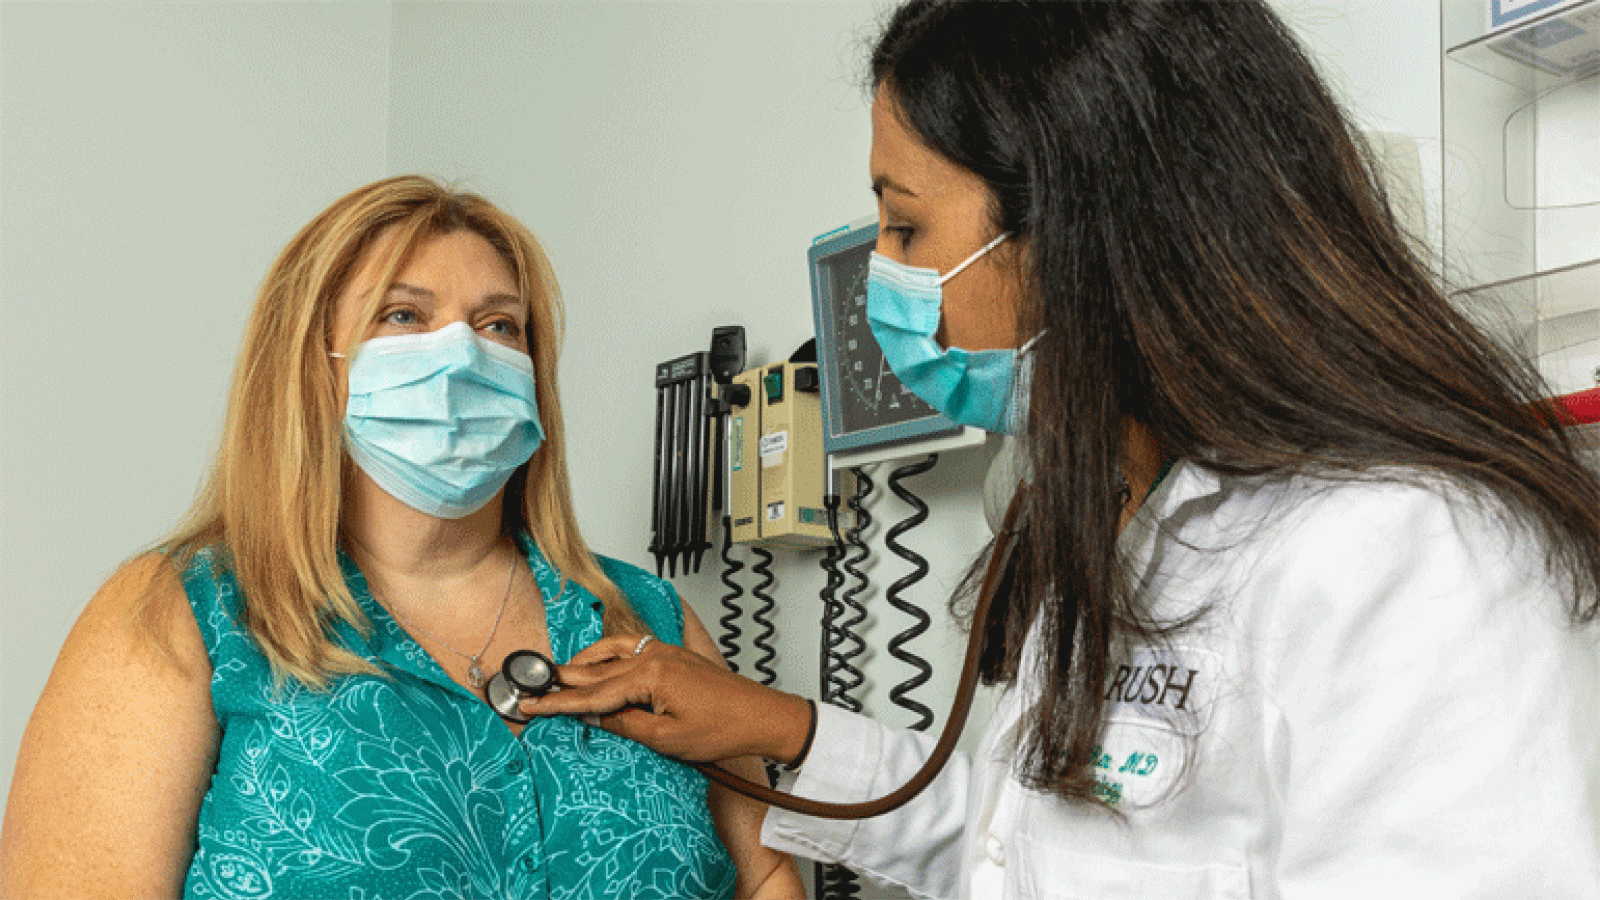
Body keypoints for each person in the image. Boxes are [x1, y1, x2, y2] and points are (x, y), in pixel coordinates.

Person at [523, 1, 1600, 897]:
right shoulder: (1122, 509)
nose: (885, 281)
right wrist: (781, 731)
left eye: (904, 228)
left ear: (1084, 232)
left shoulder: (1404, 553)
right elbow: (1019, 849)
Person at [0, 175, 802, 899]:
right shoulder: (186, 615)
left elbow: (764, 875)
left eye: (499, 325)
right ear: (316, 362)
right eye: (404, 315)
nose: (461, 353)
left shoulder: (644, 616)